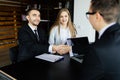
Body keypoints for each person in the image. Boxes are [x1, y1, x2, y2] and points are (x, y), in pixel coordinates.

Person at [59, 0, 120, 80]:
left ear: (97, 16)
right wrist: (71, 48)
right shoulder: (114, 36)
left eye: (88, 14)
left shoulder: (95, 51)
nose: (88, 18)